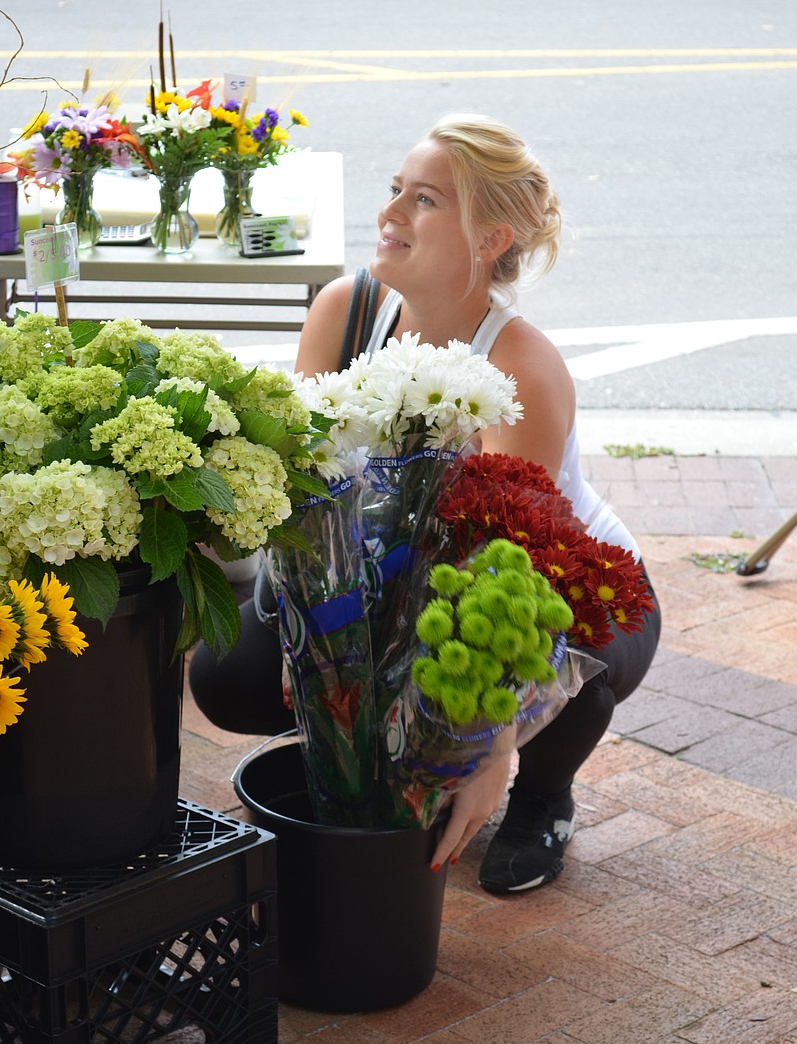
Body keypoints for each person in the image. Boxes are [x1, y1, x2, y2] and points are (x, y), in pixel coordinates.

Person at [190, 112, 661, 894]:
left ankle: (543, 794)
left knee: (562, 663)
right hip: (388, 581)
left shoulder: (522, 367)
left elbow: (513, 574)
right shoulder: (344, 312)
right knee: (227, 672)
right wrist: (312, 654)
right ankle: (363, 757)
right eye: (395, 190)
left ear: (492, 239)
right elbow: (304, 495)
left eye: (427, 200)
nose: (391, 213)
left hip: (558, 593)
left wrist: (491, 745)